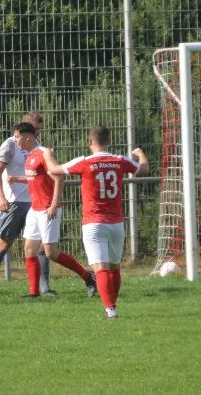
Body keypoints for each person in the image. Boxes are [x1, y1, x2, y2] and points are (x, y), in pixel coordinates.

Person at [46, 125, 149, 319]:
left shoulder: (84, 162)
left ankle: (111, 309)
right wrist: (140, 153)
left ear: (89, 142)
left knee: (100, 268)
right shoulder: (119, 160)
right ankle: (112, 306)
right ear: (109, 141)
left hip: (93, 223)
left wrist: (48, 155)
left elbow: (53, 169)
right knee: (114, 267)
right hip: (116, 223)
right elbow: (144, 168)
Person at [14, 122, 96, 297]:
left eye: (17, 137)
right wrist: (15, 179)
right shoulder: (29, 155)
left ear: (27, 137)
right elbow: (35, 177)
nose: (15, 140)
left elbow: (59, 179)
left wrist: (53, 204)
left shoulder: (43, 153)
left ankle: (89, 277)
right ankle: (34, 293)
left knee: (51, 252)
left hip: (47, 209)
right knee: (29, 249)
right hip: (35, 209)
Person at [0, 112, 51, 296]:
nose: (38, 132)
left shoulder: (38, 147)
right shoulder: (10, 144)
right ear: (25, 127)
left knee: (41, 245)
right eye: (35, 128)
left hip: (35, 203)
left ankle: (44, 288)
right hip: (14, 202)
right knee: (5, 243)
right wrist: (1, 197)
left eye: (39, 129)